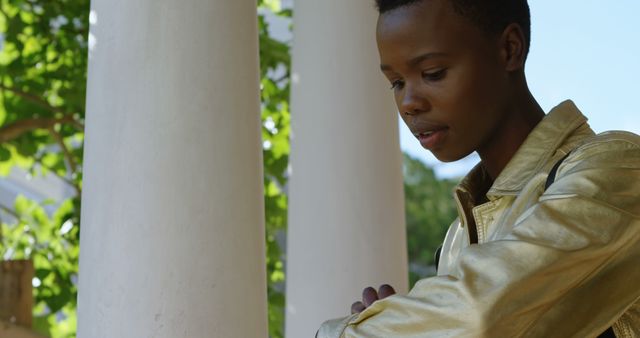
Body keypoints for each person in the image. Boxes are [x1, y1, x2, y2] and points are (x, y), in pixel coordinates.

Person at [316, 0, 640, 337]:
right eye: (396, 82)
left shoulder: (618, 170)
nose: (409, 102)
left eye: (432, 73)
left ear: (509, 49)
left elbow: (480, 319)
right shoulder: (457, 236)